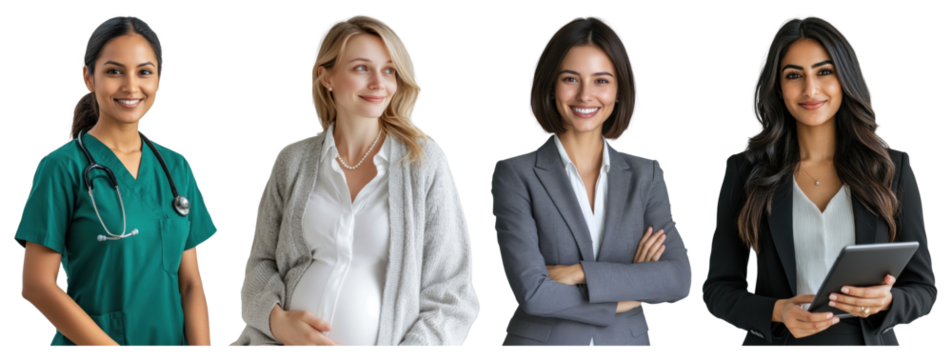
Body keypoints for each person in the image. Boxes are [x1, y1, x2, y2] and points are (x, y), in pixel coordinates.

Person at [228, 14, 481, 347]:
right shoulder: (292, 160)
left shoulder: (424, 162)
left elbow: (452, 294)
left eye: (389, 70)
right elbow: (260, 264)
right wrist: (279, 324)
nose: (379, 83)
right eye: (362, 68)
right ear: (326, 76)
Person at [700, 13, 938, 347]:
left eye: (824, 71)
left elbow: (924, 289)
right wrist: (778, 311)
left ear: (844, 78)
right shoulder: (746, 171)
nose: (810, 89)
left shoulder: (891, 168)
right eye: (794, 75)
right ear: (779, 88)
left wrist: (887, 301)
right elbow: (717, 290)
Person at [15, 13, 218, 347]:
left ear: (159, 79)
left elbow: (190, 283)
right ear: (88, 77)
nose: (131, 86)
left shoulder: (176, 167)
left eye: (144, 72)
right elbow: (37, 285)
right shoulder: (61, 168)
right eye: (114, 71)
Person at [491, 14, 694, 347]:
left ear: (619, 90)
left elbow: (678, 279)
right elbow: (534, 293)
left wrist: (578, 273)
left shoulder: (646, 174)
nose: (585, 95)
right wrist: (630, 289)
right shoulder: (515, 174)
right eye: (571, 79)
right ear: (551, 85)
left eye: (601, 80)